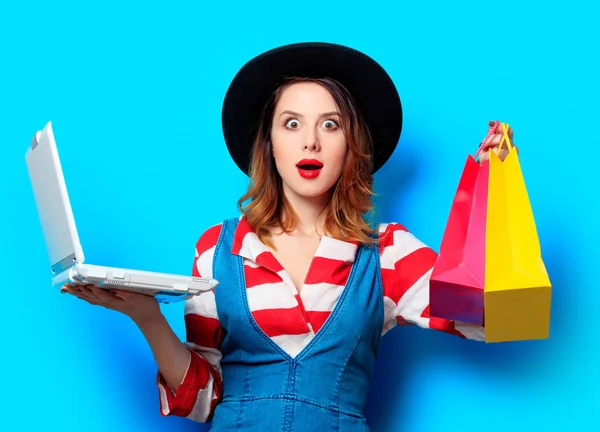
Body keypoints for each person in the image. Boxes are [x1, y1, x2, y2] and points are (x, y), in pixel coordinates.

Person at [61, 42, 517, 431]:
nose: (311, 142)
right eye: (292, 123)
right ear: (269, 143)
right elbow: (201, 400)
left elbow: (497, 314)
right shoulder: (219, 251)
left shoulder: (387, 255)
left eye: (331, 124)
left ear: (351, 146)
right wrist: (146, 315)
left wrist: (489, 190)